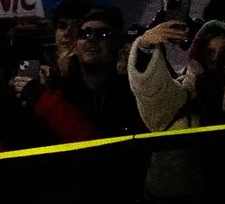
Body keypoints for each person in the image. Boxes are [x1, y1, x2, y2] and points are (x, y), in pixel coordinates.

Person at [31, 8, 142, 142]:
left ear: (117, 45)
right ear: (75, 47)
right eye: (84, 34)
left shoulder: (134, 92)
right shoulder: (58, 91)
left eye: (103, 34)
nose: (92, 39)